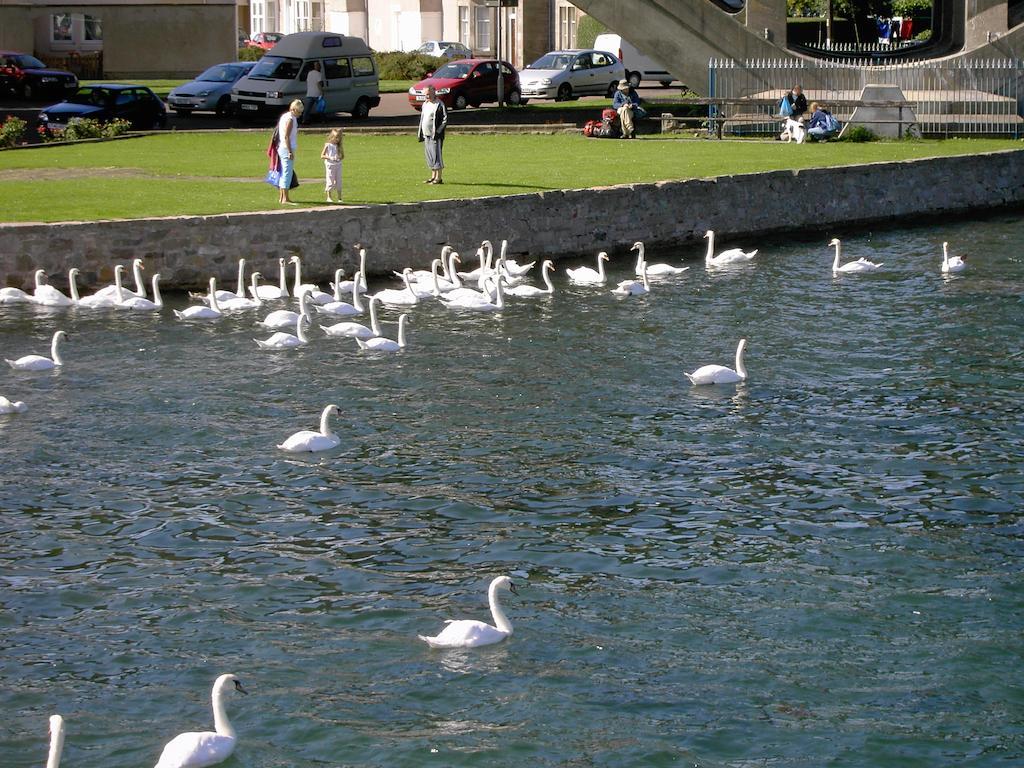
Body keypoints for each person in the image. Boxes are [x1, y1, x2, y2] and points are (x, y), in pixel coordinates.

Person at [417, 85, 448, 184]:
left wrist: (438, 131)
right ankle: (433, 176)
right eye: (425, 95)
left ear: (434, 93)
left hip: (436, 135)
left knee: (436, 156)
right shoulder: (425, 104)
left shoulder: (440, 104)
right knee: (429, 156)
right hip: (426, 134)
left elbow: (445, 119)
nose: (427, 96)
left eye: (428, 94)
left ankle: (439, 178)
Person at [277, 99, 303, 204]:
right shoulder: (291, 119)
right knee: (287, 173)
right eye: (299, 111)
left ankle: (281, 197)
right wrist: (290, 151)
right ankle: (285, 198)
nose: (300, 114)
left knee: (284, 173)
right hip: (286, 148)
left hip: (283, 147)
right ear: (294, 110)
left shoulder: (285, 116)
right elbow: (286, 136)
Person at [321, 127, 343, 203]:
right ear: (332, 137)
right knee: (330, 180)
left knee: (338, 181)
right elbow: (322, 155)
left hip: (338, 164)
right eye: (336, 138)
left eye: (339, 138)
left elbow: (342, 155)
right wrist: (330, 157)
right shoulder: (328, 145)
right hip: (330, 165)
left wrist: (339, 157)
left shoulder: (338, 146)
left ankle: (340, 198)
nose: (337, 140)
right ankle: (328, 197)